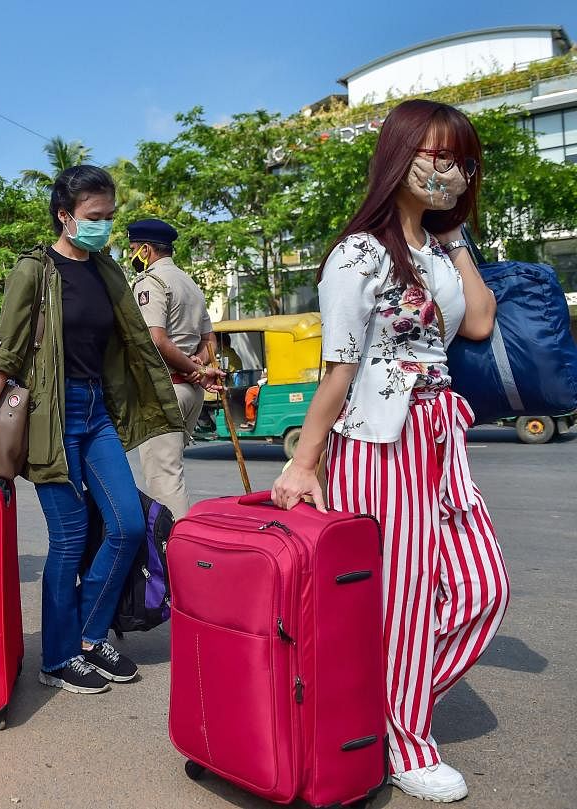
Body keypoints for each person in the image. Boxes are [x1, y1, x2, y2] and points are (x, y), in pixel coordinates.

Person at [272, 99, 508, 804]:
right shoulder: (358, 253)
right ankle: (405, 738)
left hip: (439, 435)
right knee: (401, 600)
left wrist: (458, 235)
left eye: (462, 160)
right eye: (436, 156)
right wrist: (305, 458)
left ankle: (371, 698)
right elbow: (338, 367)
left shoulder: (436, 251)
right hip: (381, 442)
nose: (452, 172)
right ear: (399, 156)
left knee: (480, 585)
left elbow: (481, 320)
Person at [0, 166, 185, 694]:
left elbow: (131, 343)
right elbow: (5, 354)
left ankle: (88, 634)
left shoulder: (106, 272)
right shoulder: (34, 271)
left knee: (128, 525)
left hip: (96, 411)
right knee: (70, 538)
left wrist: (191, 371)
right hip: (48, 418)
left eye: (109, 217)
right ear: (65, 216)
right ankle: (58, 656)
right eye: (94, 217)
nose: (104, 226)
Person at [127, 218, 222, 518]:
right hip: (189, 392)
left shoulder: (151, 282)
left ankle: (172, 554)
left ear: (145, 250)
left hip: (164, 391)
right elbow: (209, 342)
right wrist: (199, 367)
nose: (130, 256)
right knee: (172, 472)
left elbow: (156, 340)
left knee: (164, 481)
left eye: (131, 249)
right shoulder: (189, 283)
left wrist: (194, 370)